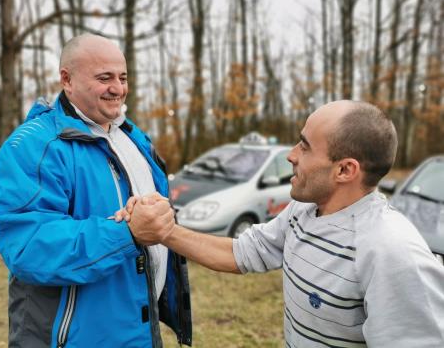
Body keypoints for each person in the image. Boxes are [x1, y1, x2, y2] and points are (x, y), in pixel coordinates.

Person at [120, 100, 444, 347]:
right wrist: (164, 231)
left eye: (304, 145)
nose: (291, 155)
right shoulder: (304, 211)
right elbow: (242, 252)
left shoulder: (391, 252)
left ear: (345, 170)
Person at [0, 34, 191, 348]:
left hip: (138, 330)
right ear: (67, 80)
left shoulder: (132, 136)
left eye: (123, 77)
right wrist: (128, 233)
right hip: (72, 339)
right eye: (104, 78)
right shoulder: (31, 147)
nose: (118, 88)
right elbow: (27, 245)